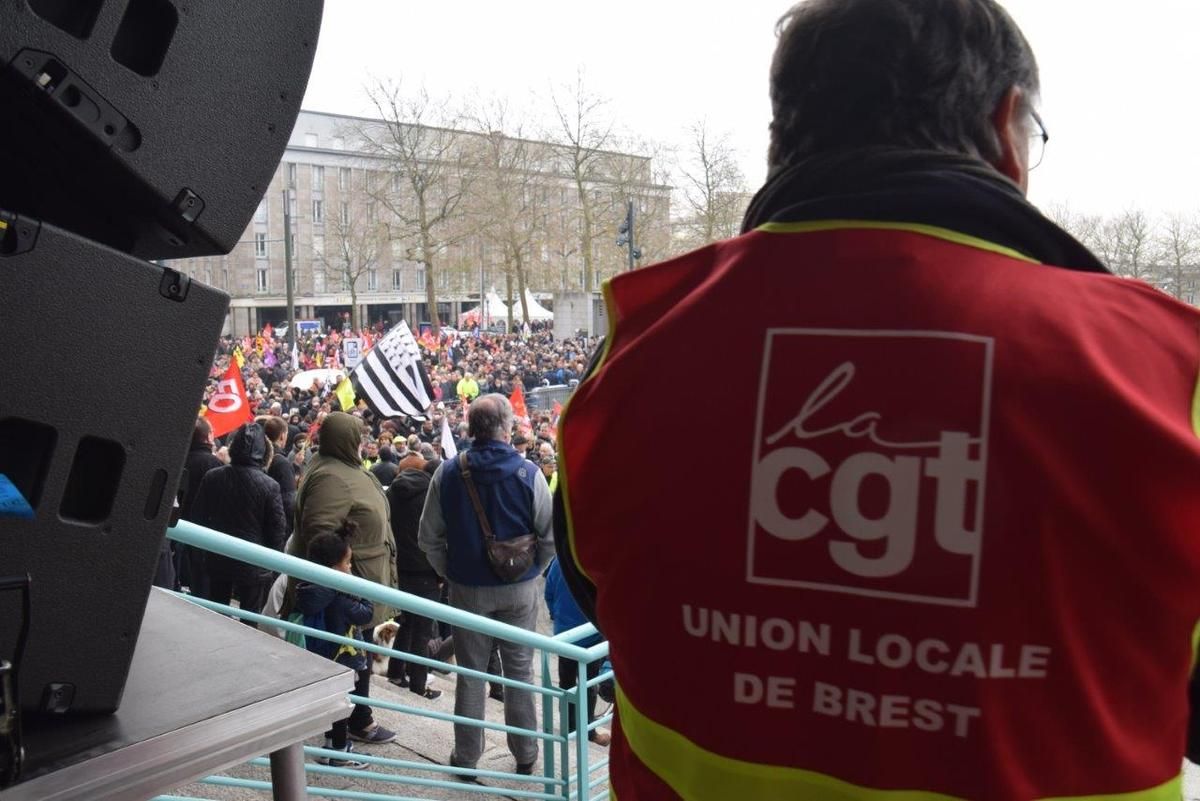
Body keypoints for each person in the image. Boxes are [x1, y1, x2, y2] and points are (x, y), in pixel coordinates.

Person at [553, 1, 1200, 799]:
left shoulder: (633, 349)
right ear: (1007, 131)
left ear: (779, 142)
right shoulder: (1170, 376)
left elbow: (599, 588)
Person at [419, 394, 555, 777]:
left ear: (470, 429)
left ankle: (466, 758)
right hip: (520, 592)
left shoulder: (446, 473)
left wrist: (453, 573)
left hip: (468, 591)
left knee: (472, 674)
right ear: (507, 428)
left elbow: (427, 538)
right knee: (520, 673)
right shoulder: (530, 474)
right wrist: (531, 574)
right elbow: (549, 539)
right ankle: (527, 755)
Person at [288, 410, 398, 745]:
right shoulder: (332, 476)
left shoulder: (340, 468)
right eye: (358, 436)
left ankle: (356, 718)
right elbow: (320, 533)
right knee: (350, 656)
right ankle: (353, 724)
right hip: (345, 589)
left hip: (355, 582)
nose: (363, 442)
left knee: (358, 653)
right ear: (345, 439)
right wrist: (343, 571)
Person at [295, 519, 374, 770]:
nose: (351, 568)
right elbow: (365, 614)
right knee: (342, 704)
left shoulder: (312, 588)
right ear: (333, 567)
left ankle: (331, 744)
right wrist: (361, 593)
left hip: (322, 653)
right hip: (344, 656)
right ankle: (340, 750)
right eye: (348, 563)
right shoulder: (338, 597)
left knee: (333, 703)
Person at [190, 423, 286, 621]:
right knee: (249, 620)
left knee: (216, 615)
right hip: (253, 563)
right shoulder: (271, 486)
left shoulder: (213, 476)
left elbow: (197, 517)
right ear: (264, 452)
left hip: (218, 557)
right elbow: (277, 532)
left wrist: (201, 556)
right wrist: (271, 568)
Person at [385, 457, 444, 700]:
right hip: (426, 573)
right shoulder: (434, 498)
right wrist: (442, 573)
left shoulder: (393, 491)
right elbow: (441, 538)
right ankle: (419, 685)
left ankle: (396, 672)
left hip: (398, 569)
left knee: (406, 624)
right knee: (422, 630)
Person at [543, 557, 610, 747]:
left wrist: (557, 617)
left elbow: (548, 593)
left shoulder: (558, 561)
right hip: (590, 636)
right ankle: (588, 731)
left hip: (564, 636)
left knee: (566, 684)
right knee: (589, 686)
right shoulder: (595, 562)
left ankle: (568, 727)